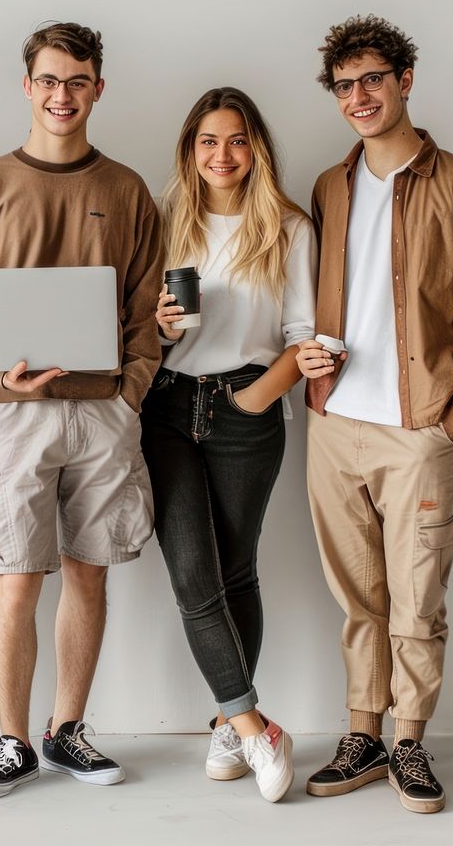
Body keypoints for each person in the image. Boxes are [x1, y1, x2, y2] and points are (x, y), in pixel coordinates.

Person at [297, 15, 453, 813]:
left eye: (373, 81)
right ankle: (361, 734)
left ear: (405, 82)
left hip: (422, 428)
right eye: (345, 85)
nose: (359, 97)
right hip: (335, 426)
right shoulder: (331, 185)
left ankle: (410, 743)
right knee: (359, 595)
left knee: (416, 597)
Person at [0, 21, 163, 798]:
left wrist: (130, 390)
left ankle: (67, 733)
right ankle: (10, 742)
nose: (62, 96)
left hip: (104, 414)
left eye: (77, 81)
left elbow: (145, 303)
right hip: (16, 413)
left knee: (88, 576)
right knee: (15, 579)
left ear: (97, 88)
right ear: (27, 87)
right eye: (49, 81)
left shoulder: (127, 188)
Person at [141, 87, 314, 803]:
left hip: (249, 404)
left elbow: (303, 337)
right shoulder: (164, 221)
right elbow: (135, 331)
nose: (222, 155)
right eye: (208, 141)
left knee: (236, 572)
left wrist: (252, 397)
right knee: (192, 576)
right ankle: (255, 727)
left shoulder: (289, 227)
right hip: (170, 408)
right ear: (190, 150)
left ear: (256, 149)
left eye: (237, 140)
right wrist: (158, 326)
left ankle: (223, 718)